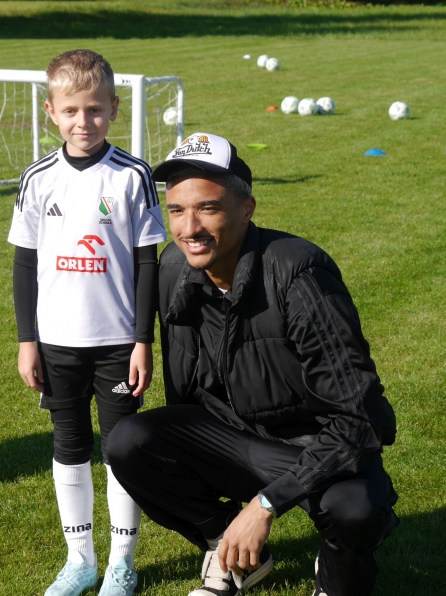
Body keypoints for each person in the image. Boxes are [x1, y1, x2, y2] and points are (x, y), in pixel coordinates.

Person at [108, 133, 399, 596]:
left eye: (207, 208)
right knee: (129, 442)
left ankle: (335, 575)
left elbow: (360, 421)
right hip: (234, 438)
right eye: (177, 210)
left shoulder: (300, 275)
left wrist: (266, 503)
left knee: (355, 511)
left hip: (315, 443)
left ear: (247, 209)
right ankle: (231, 549)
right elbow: (185, 399)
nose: (189, 228)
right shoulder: (174, 268)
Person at [8, 49, 167, 596]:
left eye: (95, 109)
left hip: (118, 342)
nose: (84, 121)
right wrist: (27, 340)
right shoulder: (37, 179)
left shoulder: (133, 176)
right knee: (69, 443)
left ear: (114, 109)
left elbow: (147, 264)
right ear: (51, 111)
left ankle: (122, 562)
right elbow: (24, 264)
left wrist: (142, 341)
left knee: (121, 448)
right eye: (72, 110)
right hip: (57, 341)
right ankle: (80, 560)